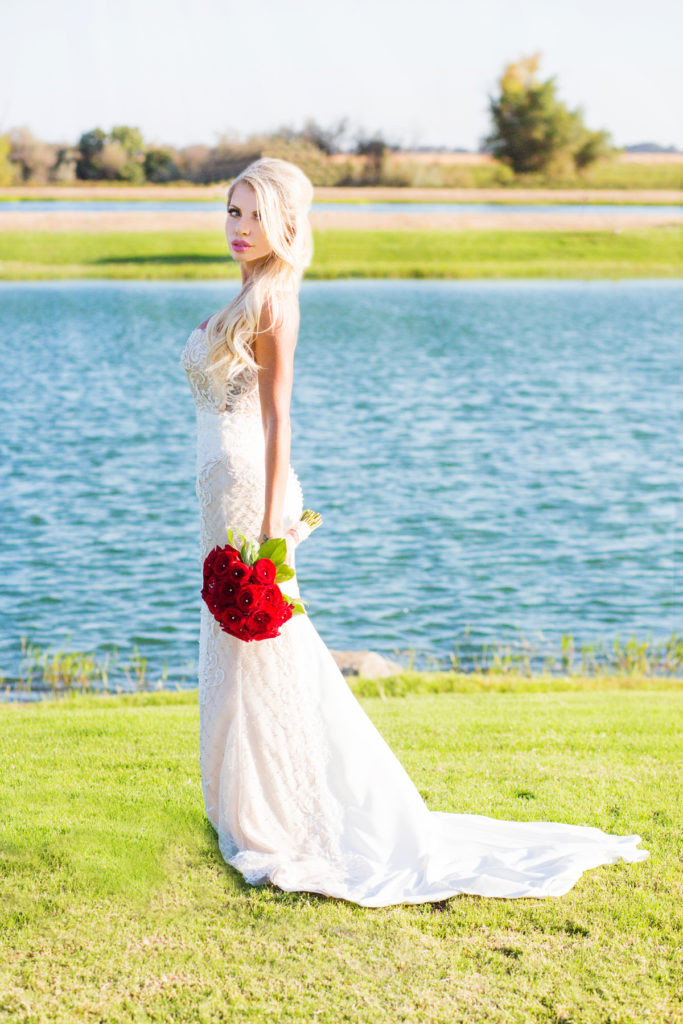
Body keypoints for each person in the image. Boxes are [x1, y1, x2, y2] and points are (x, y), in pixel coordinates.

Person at [180, 157, 648, 907]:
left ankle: (292, 814)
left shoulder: (274, 302)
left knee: (271, 654)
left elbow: (277, 419)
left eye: (254, 215)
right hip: (219, 494)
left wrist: (270, 532)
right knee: (235, 659)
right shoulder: (245, 293)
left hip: (251, 498)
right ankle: (248, 806)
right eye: (232, 212)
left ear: (286, 226)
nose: (238, 228)